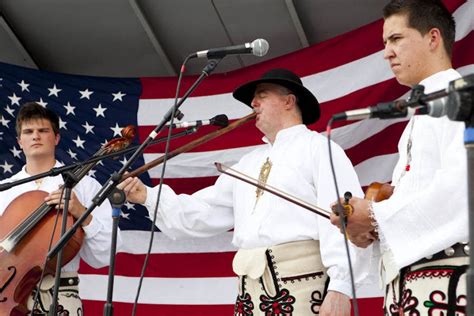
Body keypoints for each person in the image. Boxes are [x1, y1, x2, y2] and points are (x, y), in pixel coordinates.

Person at [118, 68, 368, 315]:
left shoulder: (320, 149)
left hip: (304, 284)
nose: (253, 103)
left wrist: (340, 287)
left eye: (262, 94)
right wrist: (147, 196)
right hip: (250, 292)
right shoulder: (248, 163)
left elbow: (346, 221)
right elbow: (204, 211)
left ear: (289, 101)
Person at [330, 0, 468, 314]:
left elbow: (462, 188)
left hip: (449, 286)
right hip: (412, 288)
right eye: (384, 43)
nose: (386, 52)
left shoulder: (461, 98)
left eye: (396, 39)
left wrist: (378, 215)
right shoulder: (420, 115)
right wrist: (369, 225)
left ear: (433, 38)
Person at [0, 102, 120, 315]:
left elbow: (106, 253)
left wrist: (81, 212)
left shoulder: (84, 185)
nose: (35, 136)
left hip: (60, 295)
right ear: (20, 142)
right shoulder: (5, 190)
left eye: (43, 130)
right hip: (6, 292)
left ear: (56, 138)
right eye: (28, 132)